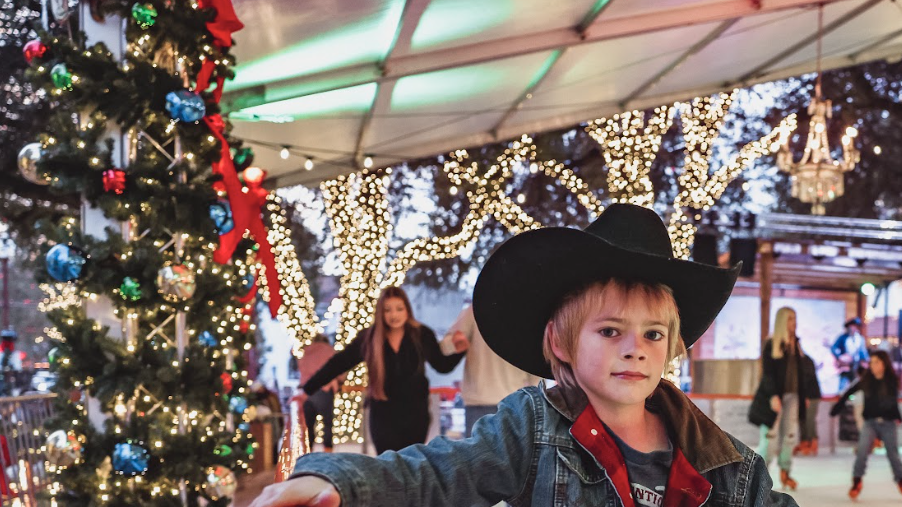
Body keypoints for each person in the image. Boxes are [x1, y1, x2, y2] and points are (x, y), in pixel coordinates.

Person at [250, 203, 797, 507]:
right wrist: (338, 480)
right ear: (561, 342)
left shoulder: (726, 463)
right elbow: (440, 474)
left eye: (654, 334)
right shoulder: (532, 429)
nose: (635, 348)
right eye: (610, 331)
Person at [295, 286, 467, 454]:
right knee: (387, 468)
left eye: (399, 309)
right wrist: (308, 389)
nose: (394, 315)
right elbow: (338, 364)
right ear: (380, 312)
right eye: (388, 310)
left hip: (416, 414)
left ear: (407, 309)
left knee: (412, 467)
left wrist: (460, 351)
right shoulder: (369, 338)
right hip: (383, 415)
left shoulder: (422, 334)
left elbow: (442, 366)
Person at [441, 303, 538, 437]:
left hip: (506, 402)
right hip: (488, 402)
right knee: (510, 456)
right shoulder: (474, 311)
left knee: (484, 456)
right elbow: (445, 347)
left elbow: (445, 346)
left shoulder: (526, 313)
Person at [829, 350, 902, 499]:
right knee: (862, 451)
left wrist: (898, 417)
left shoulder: (892, 380)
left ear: (884, 364)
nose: (873, 366)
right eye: (871, 363)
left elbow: (893, 403)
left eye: (876, 362)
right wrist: (836, 409)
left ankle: (900, 481)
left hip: (888, 423)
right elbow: (848, 391)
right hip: (870, 422)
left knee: (893, 454)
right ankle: (857, 481)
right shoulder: (866, 380)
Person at [748, 307, 806, 491]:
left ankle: (786, 471)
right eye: (790, 319)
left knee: (790, 436)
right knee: (770, 439)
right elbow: (768, 374)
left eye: (795, 319)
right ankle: (758, 477)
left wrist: (805, 396)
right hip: (774, 398)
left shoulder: (796, 345)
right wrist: (773, 396)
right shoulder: (771, 344)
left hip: (793, 397)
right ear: (782, 321)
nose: (793, 323)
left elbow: (801, 374)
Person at [297, 334, 344, 453]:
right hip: (325, 389)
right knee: (327, 423)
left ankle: (308, 450)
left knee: (309, 424)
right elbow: (338, 368)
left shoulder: (306, 352)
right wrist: (340, 382)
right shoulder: (329, 350)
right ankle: (327, 451)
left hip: (307, 391)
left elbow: (301, 369)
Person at [793, 353, 821, 456]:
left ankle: (812, 443)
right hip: (802, 396)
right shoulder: (796, 361)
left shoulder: (806, 361)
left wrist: (807, 396)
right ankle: (804, 441)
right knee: (802, 419)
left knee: (809, 419)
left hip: (811, 396)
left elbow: (808, 379)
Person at [831, 317, 869, 391]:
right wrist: (840, 357)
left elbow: (863, 352)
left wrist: (866, 361)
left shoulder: (860, 339)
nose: (854, 328)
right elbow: (834, 348)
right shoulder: (843, 338)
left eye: (856, 326)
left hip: (856, 365)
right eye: (853, 326)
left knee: (855, 383)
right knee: (843, 384)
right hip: (845, 365)